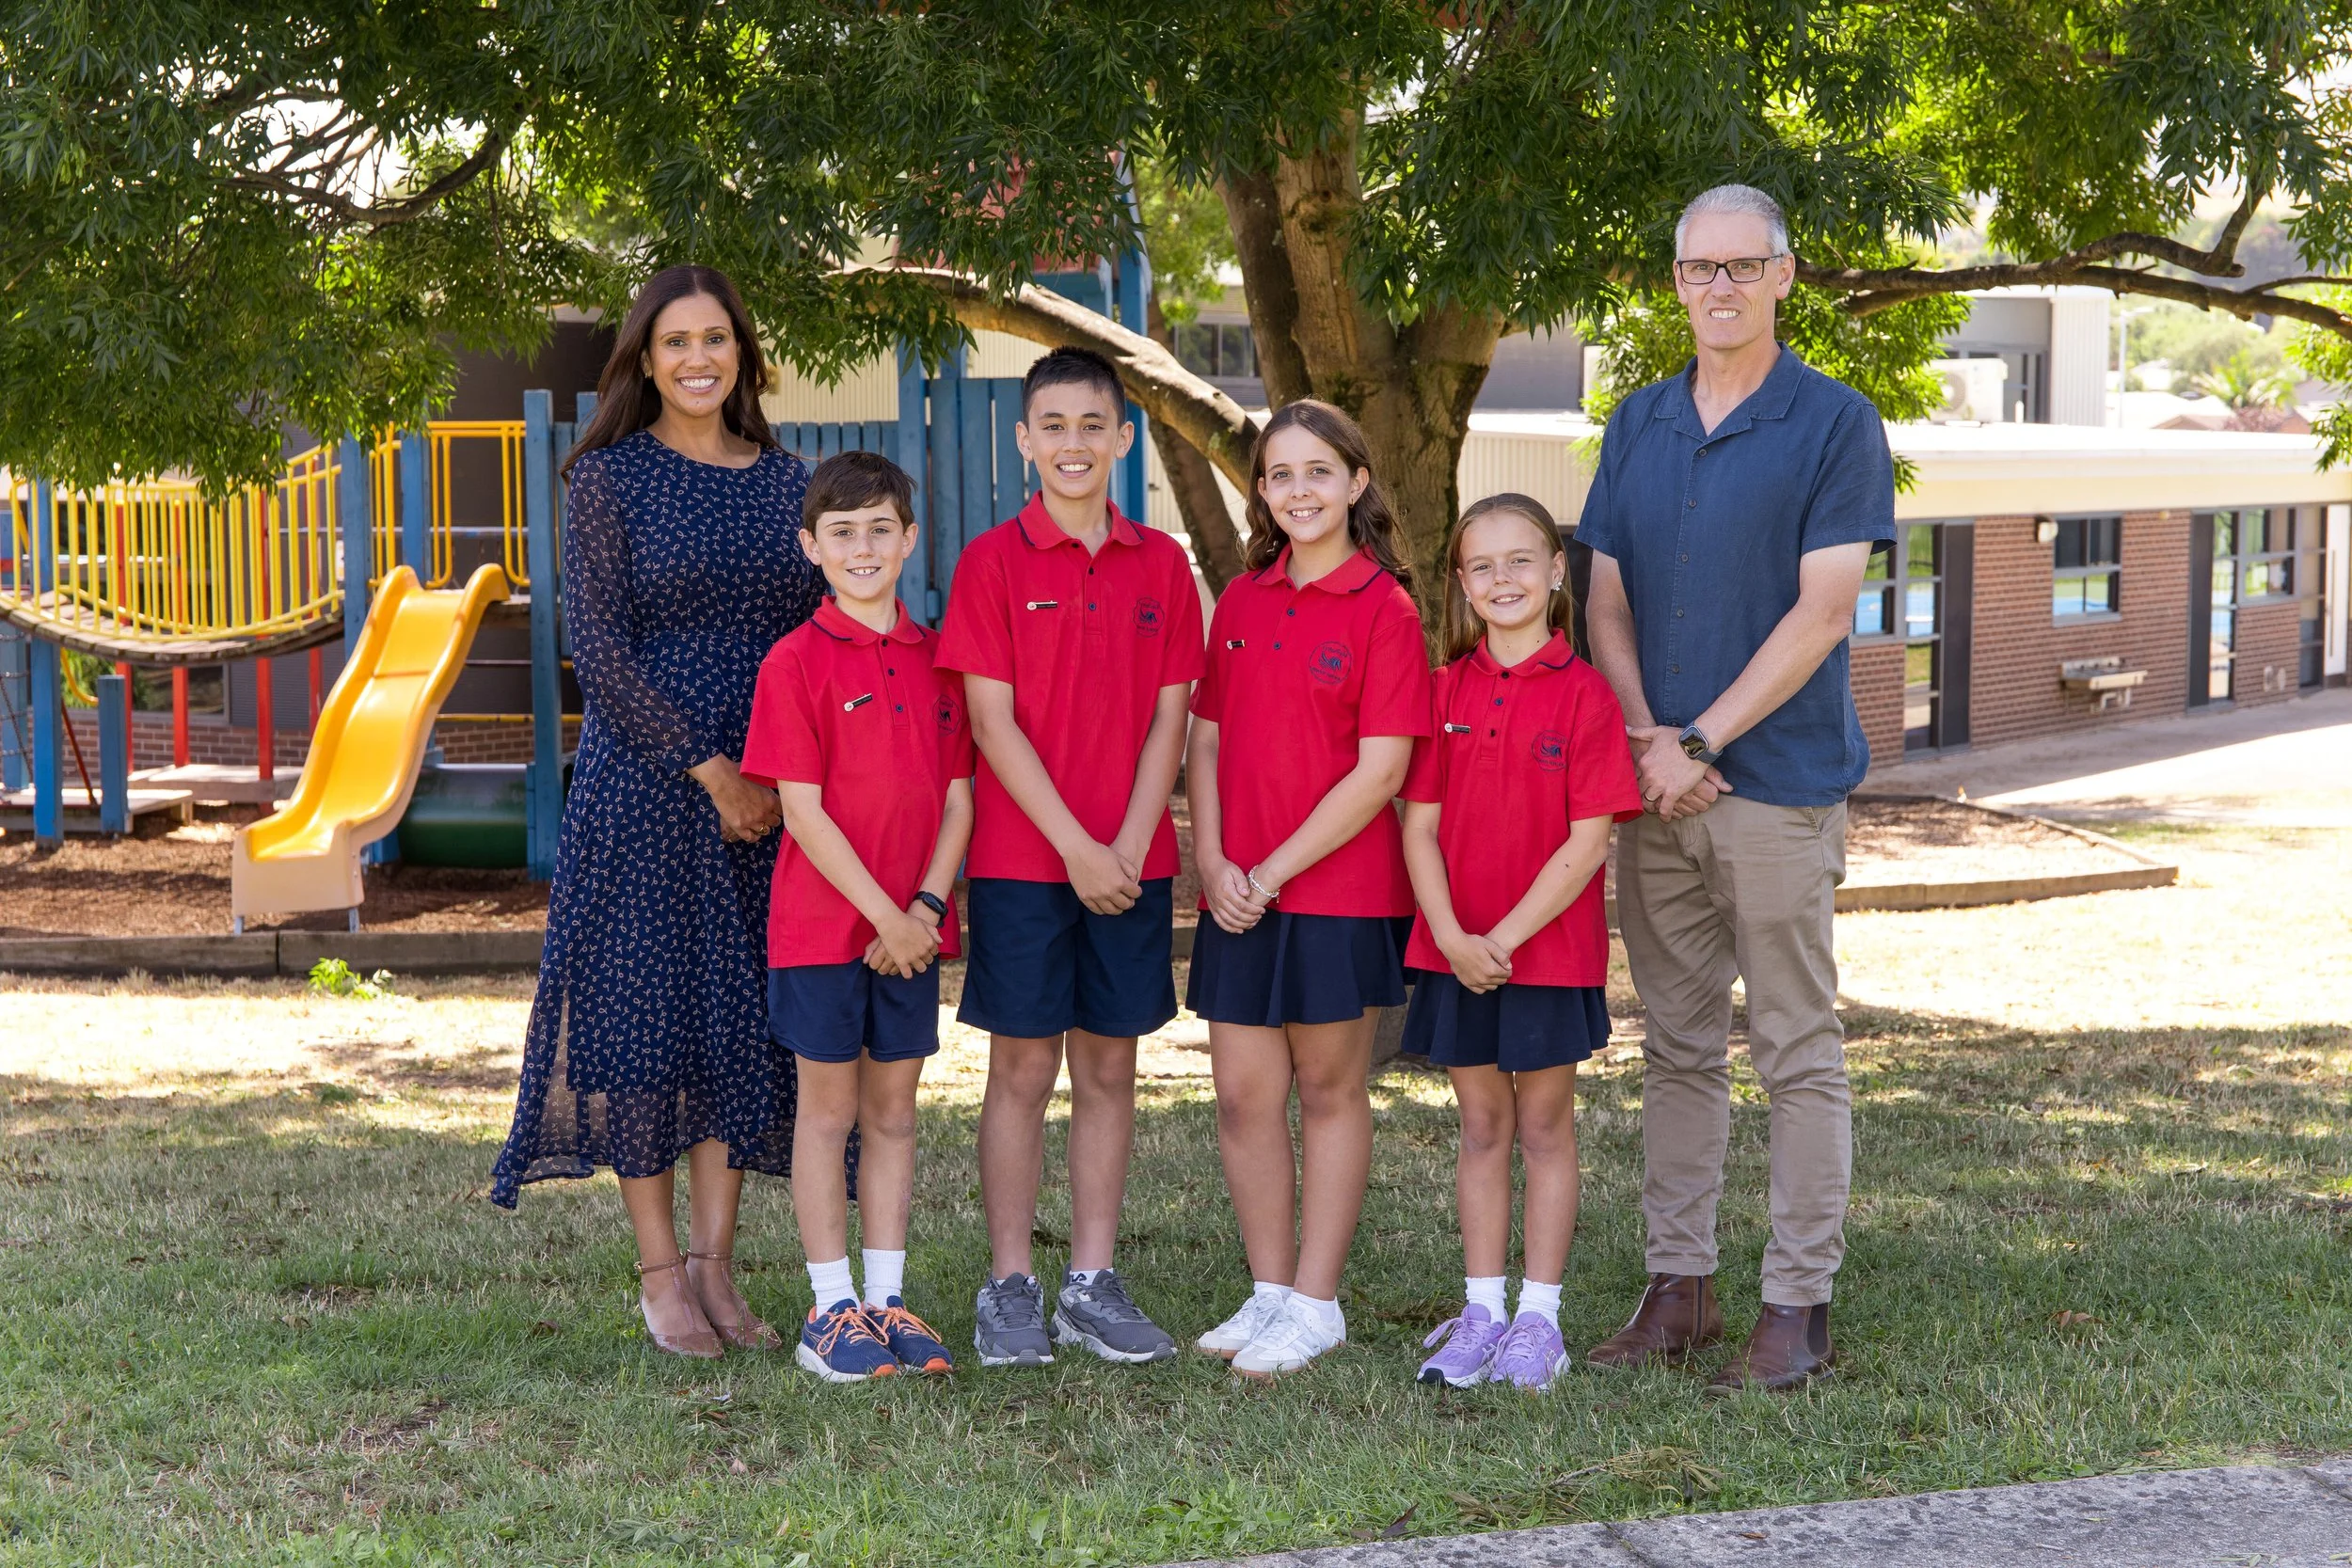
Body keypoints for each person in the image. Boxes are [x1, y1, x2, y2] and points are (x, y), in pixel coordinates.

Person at [1576, 182, 1894, 1394]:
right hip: (1661, 787)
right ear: (1674, 283)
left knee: (1797, 1048)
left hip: (1775, 788)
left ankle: (1795, 1304)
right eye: (1696, 268)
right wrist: (1649, 735)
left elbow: (1821, 612)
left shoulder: (1833, 422)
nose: (1717, 287)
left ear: (1782, 275)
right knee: (1675, 1044)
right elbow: (1602, 590)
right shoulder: (1638, 423)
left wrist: (1697, 740)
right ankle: (1678, 1288)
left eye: (1739, 267)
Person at [489, 265, 824, 1361]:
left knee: (736, 1024)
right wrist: (710, 768)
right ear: (641, 358)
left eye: (715, 338)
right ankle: (657, 1272)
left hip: (777, 790)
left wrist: (784, 775)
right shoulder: (608, 479)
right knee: (643, 1020)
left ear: (744, 354)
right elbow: (599, 646)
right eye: (674, 341)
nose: (696, 358)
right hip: (648, 785)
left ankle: (719, 1266)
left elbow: (825, 631)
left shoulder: (790, 484)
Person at [934, 346, 1205, 1369]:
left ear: (1123, 437)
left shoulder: (1161, 565)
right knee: (1019, 1070)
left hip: (1130, 862)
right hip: (1021, 861)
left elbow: (1171, 718)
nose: (1073, 443)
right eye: (1052, 425)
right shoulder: (993, 563)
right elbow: (991, 726)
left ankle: (1090, 1280)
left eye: (1093, 424)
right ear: (1024, 440)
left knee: (1108, 1066)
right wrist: (1076, 848)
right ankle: (1010, 1281)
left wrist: (1127, 844)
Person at [1184, 400, 1431, 1380]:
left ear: (1356, 482)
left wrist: (1272, 871)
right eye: (1278, 475)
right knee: (1244, 1098)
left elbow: (1380, 770)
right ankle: (1271, 1288)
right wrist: (1211, 862)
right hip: (1234, 886)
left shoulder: (1385, 609)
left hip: (1331, 891)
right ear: (1260, 491)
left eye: (1317, 472)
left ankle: (1318, 1302)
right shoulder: (1242, 598)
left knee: (1327, 1090)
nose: (1298, 491)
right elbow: (1204, 736)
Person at [1399, 495, 1642, 1391]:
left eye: (1520, 560)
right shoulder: (1443, 689)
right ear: (1461, 583)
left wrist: (1498, 937)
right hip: (1454, 948)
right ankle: (1481, 1309)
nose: (1503, 579)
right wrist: (1455, 938)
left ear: (1553, 573)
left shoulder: (1586, 696)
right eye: (1483, 565)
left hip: (1544, 953)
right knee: (1481, 1126)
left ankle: (1539, 1317)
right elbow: (1417, 828)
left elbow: (1587, 843)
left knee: (1543, 1126)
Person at [739, 451, 973, 1383]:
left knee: (894, 1112)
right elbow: (802, 809)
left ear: (910, 538)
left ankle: (886, 1296)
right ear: (811, 545)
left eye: (881, 527)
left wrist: (922, 908)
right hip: (822, 931)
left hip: (910, 931)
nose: (863, 545)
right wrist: (886, 912)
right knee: (827, 1111)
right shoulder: (793, 661)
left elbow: (959, 798)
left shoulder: (939, 660)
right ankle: (829, 1306)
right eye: (842, 531)